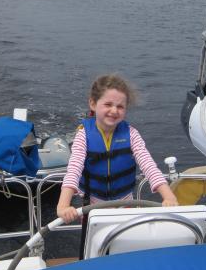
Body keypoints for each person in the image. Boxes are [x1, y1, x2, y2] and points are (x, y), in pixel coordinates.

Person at [57, 74, 179, 224]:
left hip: (125, 204)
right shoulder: (83, 135)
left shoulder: (132, 134)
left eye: (120, 106)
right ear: (93, 104)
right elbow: (74, 169)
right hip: (92, 206)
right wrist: (63, 205)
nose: (114, 111)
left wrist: (168, 196)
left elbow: (149, 166)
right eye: (108, 104)